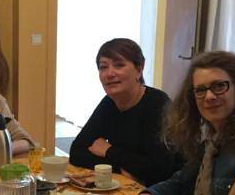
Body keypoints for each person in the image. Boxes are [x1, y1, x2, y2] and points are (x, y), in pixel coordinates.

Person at [130, 51, 235, 195]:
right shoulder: (210, 137)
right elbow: (182, 181)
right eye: (200, 90)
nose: (209, 96)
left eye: (220, 86)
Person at [68, 38, 178, 186]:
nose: (109, 74)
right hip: (131, 186)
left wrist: (109, 151)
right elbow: (77, 152)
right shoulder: (109, 103)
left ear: (139, 69)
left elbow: (159, 169)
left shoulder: (158, 104)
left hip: (166, 194)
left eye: (119, 65)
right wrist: (120, 169)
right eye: (103, 67)